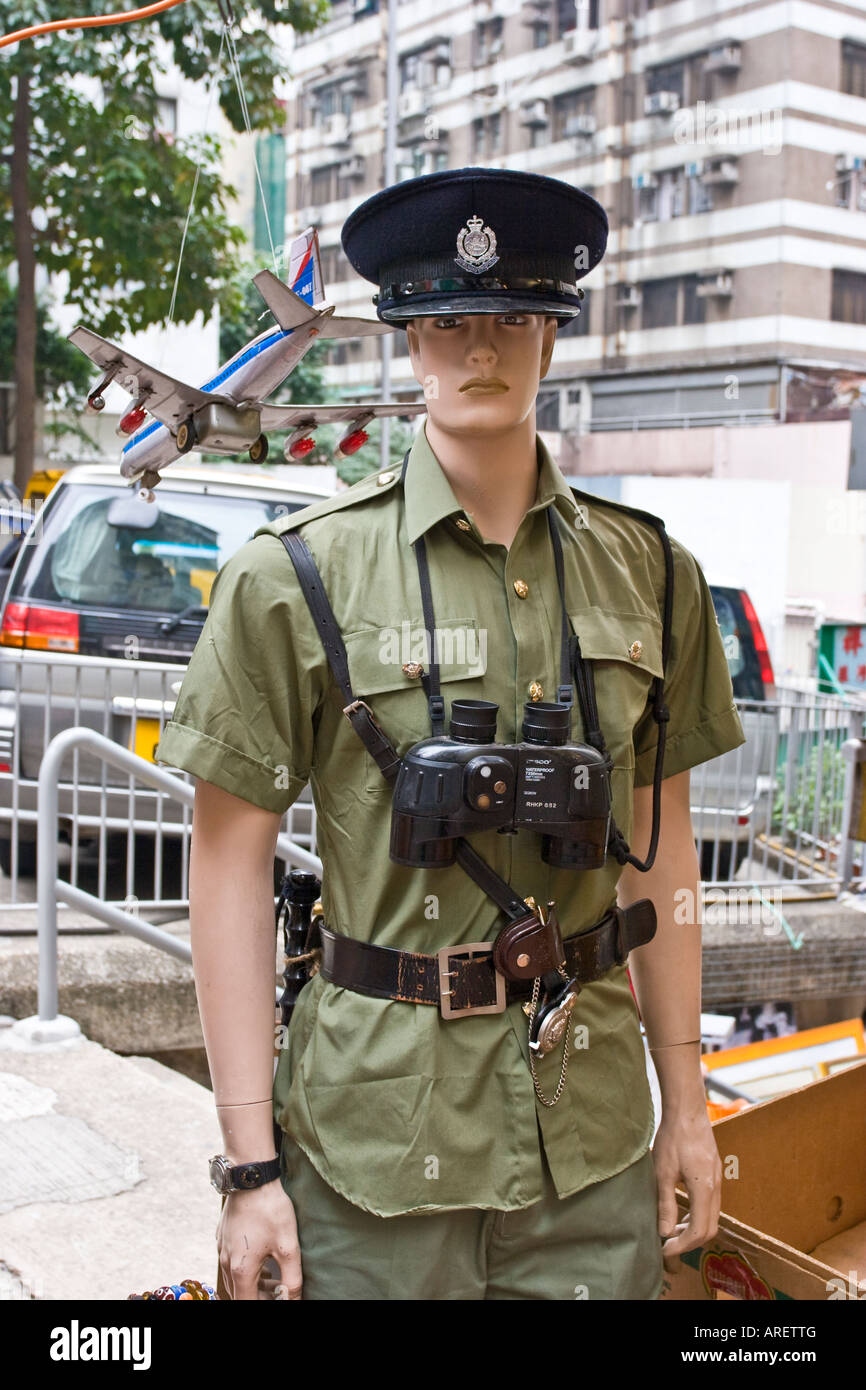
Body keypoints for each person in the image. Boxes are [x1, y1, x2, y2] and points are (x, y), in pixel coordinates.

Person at [155, 166, 747, 1301]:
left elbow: (661, 858)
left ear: (552, 336)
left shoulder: (653, 575)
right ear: (407, 343)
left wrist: (688, 1103)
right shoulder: (294, 579)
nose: (481, 349)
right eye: (447, 323)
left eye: (512, 319)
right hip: (374, 1148)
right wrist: (247, 1167)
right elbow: (225, 868)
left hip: (589, 1145)